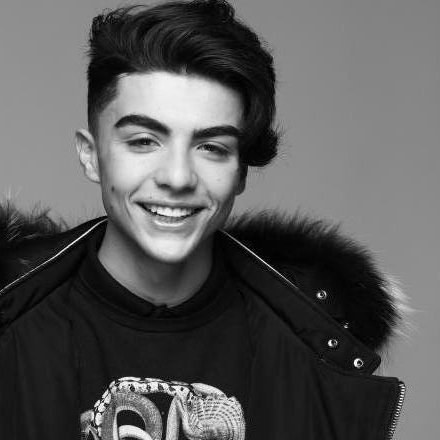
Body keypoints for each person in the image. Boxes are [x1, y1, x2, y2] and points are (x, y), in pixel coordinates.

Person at [0, 1, 405, 439]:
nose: (177, 178)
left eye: (211, 148)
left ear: (241, 171)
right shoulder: (14, 329)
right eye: (144, 141)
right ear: (91, 155)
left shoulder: (313, 345)